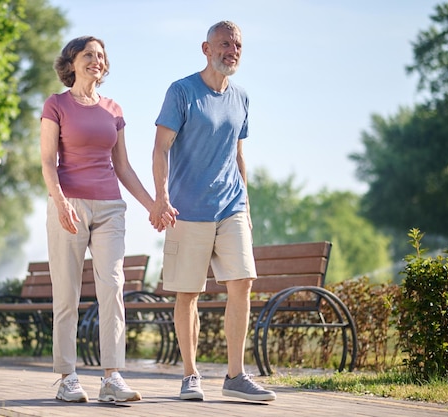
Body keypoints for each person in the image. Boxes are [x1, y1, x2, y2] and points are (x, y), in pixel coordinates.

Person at [149, 21, 277, 402]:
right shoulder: (182, 91)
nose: (231, 50)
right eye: (224, 44)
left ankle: (235, 375)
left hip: (232, 205)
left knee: (243, 283)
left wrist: (248, 208)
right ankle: (190, 375)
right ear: (206, 48)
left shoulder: (242, 98)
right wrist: (161, 197)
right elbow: (161, 148)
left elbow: (238, 155)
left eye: (237, 45)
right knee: (187, 293)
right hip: (187, 208)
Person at [40, 35, 154, 403]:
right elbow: (47, 161)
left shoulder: (113, 109)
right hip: (69, 204)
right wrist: (60, 202)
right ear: (71, 62)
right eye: (88, 54)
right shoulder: (56, 104)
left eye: (101, 55)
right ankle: (68, 376)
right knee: (68, 293)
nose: (96, 60)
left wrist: (152, 204)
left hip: (109, 207)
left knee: (112, 289)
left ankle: (112, 377)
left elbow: (122, 166)